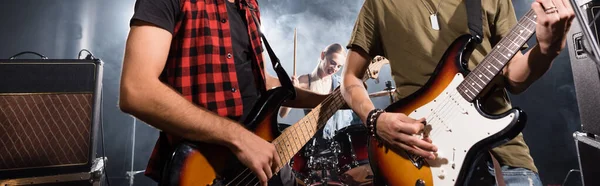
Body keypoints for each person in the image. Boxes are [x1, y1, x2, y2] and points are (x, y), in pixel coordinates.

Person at [341, 0, 574, 185]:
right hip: (418, 158)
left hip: (503, 157)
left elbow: (514, 75)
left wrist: (548, 49)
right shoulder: (379, 4)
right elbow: (350, 78)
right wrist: (375, 120)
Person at [118, 0, 327, 185]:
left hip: (262, 167)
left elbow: (266, 83)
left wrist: (332, 100)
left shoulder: (250, 6)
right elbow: (136, 91)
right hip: (204, 171)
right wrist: (238, 138)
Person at [279, 43, 358, 139]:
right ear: (322, 56)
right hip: (313, 143)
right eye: (332, 63)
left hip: (335, 143)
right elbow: (282, 114)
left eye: (339, 66)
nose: (335, 69)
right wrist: (292, 92)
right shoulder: (304, 81)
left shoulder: (339, 84)